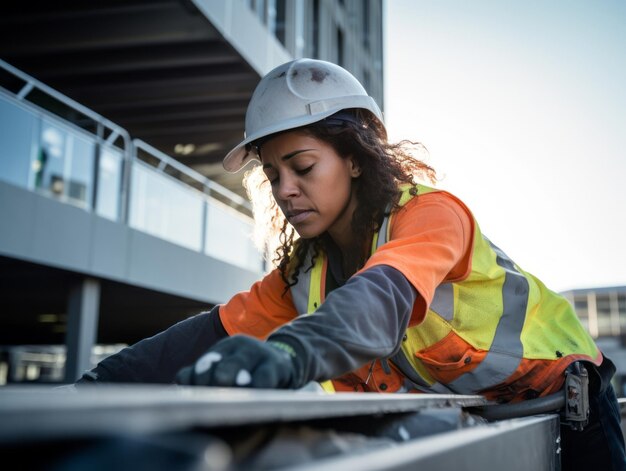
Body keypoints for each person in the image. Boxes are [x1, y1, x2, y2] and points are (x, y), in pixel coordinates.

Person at [76, 58, 626, 470]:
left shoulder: (431, 216)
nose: (287, 191)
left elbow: (378, 300)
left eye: (303, 166)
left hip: (572, 406)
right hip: (487, 421)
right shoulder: (307, 272)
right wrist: (91, 389)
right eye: (273, 176)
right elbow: (206, 334)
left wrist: (288, 355)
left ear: (357, 158)